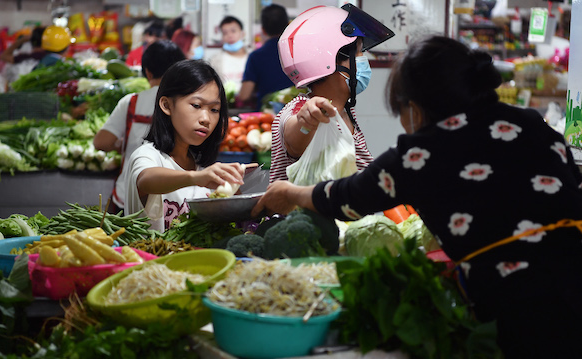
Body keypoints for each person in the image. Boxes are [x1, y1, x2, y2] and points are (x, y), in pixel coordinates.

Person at [253, 35, 582, 358]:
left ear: (416, 106)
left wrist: (290, 192)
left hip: (521, 308)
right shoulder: (530, 122)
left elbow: (350, 196)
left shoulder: (426, 150)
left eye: (402, 110)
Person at [123, 60, 245, 231]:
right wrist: (194, 178)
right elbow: (145, 180)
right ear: (166, 105)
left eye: (214, 110)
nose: (206, 119)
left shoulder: (201, 166)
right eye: (196, 105)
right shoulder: (147, 155)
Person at [270, 4, 386, 183]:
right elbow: (294, 140)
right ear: (331, 62)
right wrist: (307, 122)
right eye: (359, 53)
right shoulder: (300, 109)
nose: (364, 60)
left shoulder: (346, 112)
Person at [94, 40, 186, 212]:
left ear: (148, 72)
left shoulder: (131, 102)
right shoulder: (187, 104)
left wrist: (121, 145)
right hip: (172, 201)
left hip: (129, 197)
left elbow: (101, 142)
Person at [237, 4, 293, 111]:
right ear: (288, 25)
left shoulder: (256, 56)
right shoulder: (297, 53)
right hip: (297, 114)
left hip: (267, 118)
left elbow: (244, 95)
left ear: (263, 30)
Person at [208, 16, 249, 92]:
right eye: (225, 33)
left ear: (243, 34)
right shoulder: (214, 61)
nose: (229, 36)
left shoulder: (251, 57)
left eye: (233, 31)